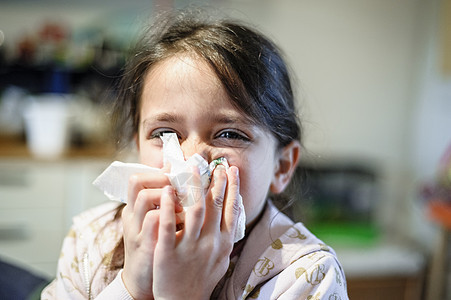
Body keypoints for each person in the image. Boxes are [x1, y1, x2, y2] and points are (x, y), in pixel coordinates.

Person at [42, 8, 348, 300]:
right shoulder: (91, 241)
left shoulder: (306, 276)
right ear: (138, 147)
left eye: (230, 134)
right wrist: (133, 286)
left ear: (281, 166)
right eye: (164, 134)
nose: (191, 161)